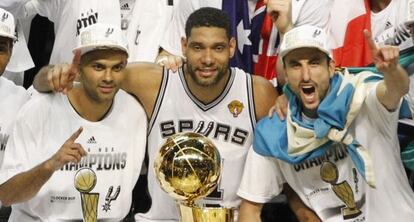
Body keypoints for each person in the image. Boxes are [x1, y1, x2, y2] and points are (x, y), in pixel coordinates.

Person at [237, 24, 414, 221]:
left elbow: (395, 89)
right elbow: (250, 210)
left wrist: (392, 71)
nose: (306, 75)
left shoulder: (362, 98)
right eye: (296, 65)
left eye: (314, 63)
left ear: (330, 67)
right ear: (285, 74)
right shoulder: (274, 134)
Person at [1, 23, 147, 221]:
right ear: (77, 68)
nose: (108, 77)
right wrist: (51, 165)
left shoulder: (134, 113)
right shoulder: (38, 110)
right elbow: (7, 195)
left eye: (117, 68)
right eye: (98, 66)